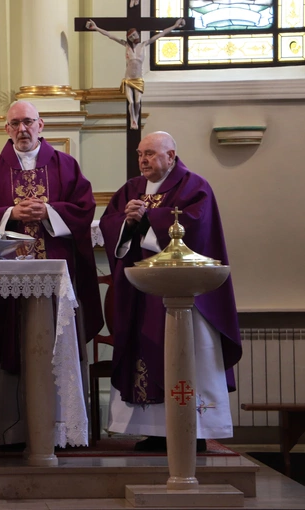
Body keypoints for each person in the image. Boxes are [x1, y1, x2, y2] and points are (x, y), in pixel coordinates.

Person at [0, 100, 104, 446]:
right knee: (10, 343)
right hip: (6, 277)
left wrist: (50, 212)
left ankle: (60, 430)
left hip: (55, 273)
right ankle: (9, 430)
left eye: (28, 122)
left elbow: (85, 208)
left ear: (41, 125)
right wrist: (11, 212)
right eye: (15, 124)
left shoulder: (65, 165)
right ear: (6, 129)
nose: (22, 130)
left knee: (58, 344)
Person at [98, 131, 242, 452]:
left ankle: (196, 428)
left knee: (186, 354)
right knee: (143, 354)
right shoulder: (131, 189)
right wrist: (127, 222)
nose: (143, 160)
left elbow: (198, 228)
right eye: (140, 154)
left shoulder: (194, 187)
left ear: (171, 156)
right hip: (141, 295)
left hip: (184, 297)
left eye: (150, 153)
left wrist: (148, 218)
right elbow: (110, 224)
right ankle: (153, 431)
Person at [86, 18, 185, 130]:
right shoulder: (126, 46)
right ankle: (133, 120)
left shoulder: (144, 44)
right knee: (131, 102)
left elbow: (160, 34)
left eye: (134, 35)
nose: (134, 38)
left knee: (138, 101)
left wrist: (175, 26)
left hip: (138, 78)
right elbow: (111, 36)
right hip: (128, 79)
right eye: (131, 37)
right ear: (129, 38)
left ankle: (136, 118)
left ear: (138, 33)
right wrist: (96, 28)